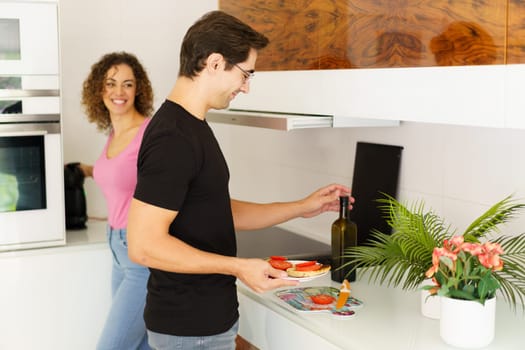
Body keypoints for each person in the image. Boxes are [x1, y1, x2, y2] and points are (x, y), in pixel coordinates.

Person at [127, 11, 352, 350]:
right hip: (191, 331)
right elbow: (143, 245)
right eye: (245, 74)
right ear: (215, 63)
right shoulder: (172, 137)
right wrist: (237, 267)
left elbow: (215, 211)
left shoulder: (193, 126)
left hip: (205, 324)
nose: (246, 87)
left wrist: (302, 207)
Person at [79, 51, 154, 350]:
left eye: (127, 84)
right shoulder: (114, 132)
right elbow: (121, 176)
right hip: (116, 250)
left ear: (139, 90)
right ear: (100, 89)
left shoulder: (149, 133)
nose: (118, 92)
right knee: (140, 346)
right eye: (111, 84)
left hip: (140, 254)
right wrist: (86, 170)